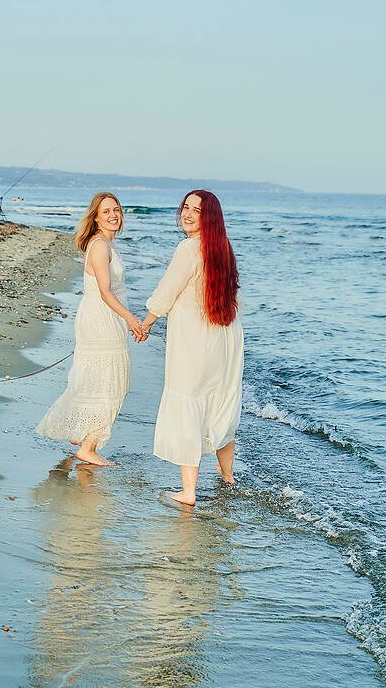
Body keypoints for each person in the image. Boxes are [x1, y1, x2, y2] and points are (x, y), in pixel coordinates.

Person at [142, 190, 243, 506]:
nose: (187, 214)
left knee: (189, 403)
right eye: (185, 207)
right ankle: (227, 475)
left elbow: (166, 292)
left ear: (208, 217)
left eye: (196, 210)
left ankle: (188, 492)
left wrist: (145, 323)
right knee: (219, 402)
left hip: (195, 339)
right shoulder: (223, 248)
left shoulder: (188, 249)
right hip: (225, 337)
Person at [37, 192, 146, 466]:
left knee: (97, 378)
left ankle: (83, 433)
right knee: (112, 382)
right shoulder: (100, 246)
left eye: (116, 210)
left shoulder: (107, 244)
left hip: (104, 318)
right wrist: (132, 319)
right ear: (95, 217)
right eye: (106, 211)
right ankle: (89, 446)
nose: (113, 215)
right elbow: (106, 292)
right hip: (101, 319)